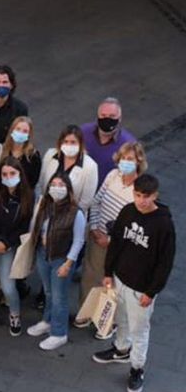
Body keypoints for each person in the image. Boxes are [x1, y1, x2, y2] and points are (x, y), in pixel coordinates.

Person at [92, 174, 175, 392]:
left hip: (142, 289)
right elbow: (116, 242)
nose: (141, 201)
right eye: (137, 195)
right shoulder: (128, 211)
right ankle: (120, 349)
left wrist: (152, 291)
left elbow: (165, 262)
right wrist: (108, 272)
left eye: (146, 196)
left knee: (139, 330)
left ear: (155, 195)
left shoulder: (163, 224)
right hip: (120, 278)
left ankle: (137, 368)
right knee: (120, 319)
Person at [78, 142, 148, 331]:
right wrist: (94, 228)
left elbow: (136, 225)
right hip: (97, 236)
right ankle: (86, 313)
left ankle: (108, 322)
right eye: (123, 158)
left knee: (114, 286)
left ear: (139, 161)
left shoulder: (141, 190)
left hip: (120, 246)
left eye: (130, 159)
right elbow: (97, 202)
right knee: (91, 276)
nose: (125, 162)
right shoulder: (112, 176)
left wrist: (110, 241)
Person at [25, 175, 86, 351]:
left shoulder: (76, 212)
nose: (56, 188)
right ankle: (47, 321)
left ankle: (59, 333)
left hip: (62, 257)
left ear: (68, 189)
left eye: (61, 185)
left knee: (60, 297)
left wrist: (68, 263)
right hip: (44, 254)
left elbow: (78, 240)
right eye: (53, 184)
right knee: (49, 292)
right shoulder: (44, 205)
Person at [0, 157, 34, 336]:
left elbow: (25, 225)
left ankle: (15, 314)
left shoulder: (28, 196)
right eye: (4, 174)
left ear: (20, 174)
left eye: (12, 173)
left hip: (8, 244)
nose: (8, 177)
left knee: (7, 285)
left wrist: (7, 244)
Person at [37, 125, 99, 213]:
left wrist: (71, 216)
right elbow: (42, 182)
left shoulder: (90, 166)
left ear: (80, 144)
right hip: (46, 210)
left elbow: (86, 200)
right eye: (65, 141)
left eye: (73, 142)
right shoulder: (50, 155)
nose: (69, 145)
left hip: (71, 215)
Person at [81, 97, 137, 184]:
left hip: (107, 192)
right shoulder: (83, 132)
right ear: (98, 116)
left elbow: (134, 173)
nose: (107, 119)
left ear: (120, 118)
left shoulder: (128, 143)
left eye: (112, 116)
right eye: (103, 115)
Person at [0, 116, 42, 189]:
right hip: (1, 194)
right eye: (18, 129)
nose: (20, 133)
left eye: (25, 131)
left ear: (29, 134)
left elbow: (33, 181)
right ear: (12, 130)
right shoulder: (0, 150)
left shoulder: (33, 156)